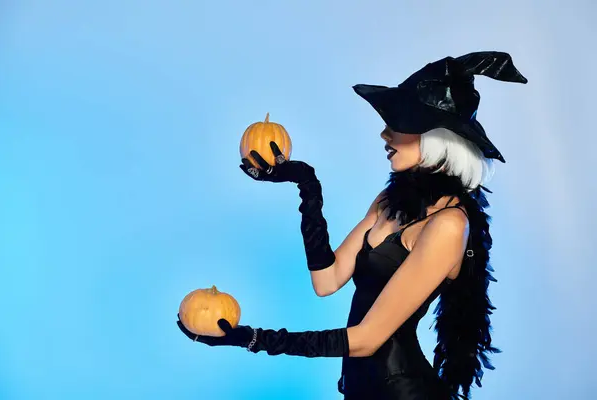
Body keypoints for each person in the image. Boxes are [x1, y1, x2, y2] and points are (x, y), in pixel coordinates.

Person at [177, 51, 527, 399]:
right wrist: (307, 186)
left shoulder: (449, 226)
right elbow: (327, 280)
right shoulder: (390, 201)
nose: (384, 134)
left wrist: (254, 339)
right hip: (359, 390)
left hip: (402, 392)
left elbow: (366, 338)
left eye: (400, 123)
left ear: (438, 137)